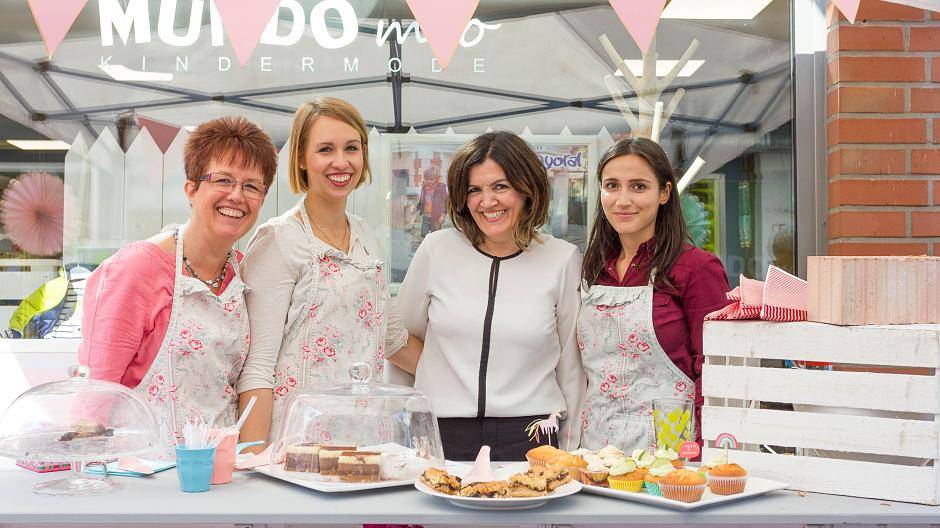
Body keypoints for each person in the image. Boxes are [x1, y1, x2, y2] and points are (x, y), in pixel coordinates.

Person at [78, 116, 278, 459]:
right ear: (191, 189)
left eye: (251, 186)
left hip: (219, 470)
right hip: (145, 472)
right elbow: (94, 395)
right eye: (223, 180)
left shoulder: (244, 272)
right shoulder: (138, 268)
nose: (236, 195)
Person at [237, 97, 422, 445]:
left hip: (367, 440)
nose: (341, 161)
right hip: (298, 445)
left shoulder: (366, 236)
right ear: (301, 158)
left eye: (351, 148)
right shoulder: (279, 240)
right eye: (325, 149)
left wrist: (474, 373)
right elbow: (257, 368)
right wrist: (252, 460)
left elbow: (392, 340)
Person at [390, 131, 585, 461]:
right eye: (474, 190)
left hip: (533, 436)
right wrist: (400, 431)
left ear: (527, 189)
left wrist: (571, 452)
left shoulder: (562, 259)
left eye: (500, 186)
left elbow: (571, 367)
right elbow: (398, 339)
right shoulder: (436, 250)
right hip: (441, 432)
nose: (487, 201)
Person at [577, 137, 731, 451]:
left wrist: (704, 450)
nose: (622, 200)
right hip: (595, 449)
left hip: (670, 453)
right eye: (612, 186)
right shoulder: (591, 269)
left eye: (638, 186)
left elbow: (716, 370)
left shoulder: (696, 268)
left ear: (664, 193)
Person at [415, 165, 447, 236]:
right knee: (423, 234)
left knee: (435, 235)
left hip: (436, 217)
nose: (429, 181)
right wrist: (417, 208)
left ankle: (434, 242)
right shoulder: (424, 188)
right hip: (426, 216)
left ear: (436, 179)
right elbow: (422, 200)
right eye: (427, 179)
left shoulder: (440, 189)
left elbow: (443, 202)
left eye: (431, 179)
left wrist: (442, 215)